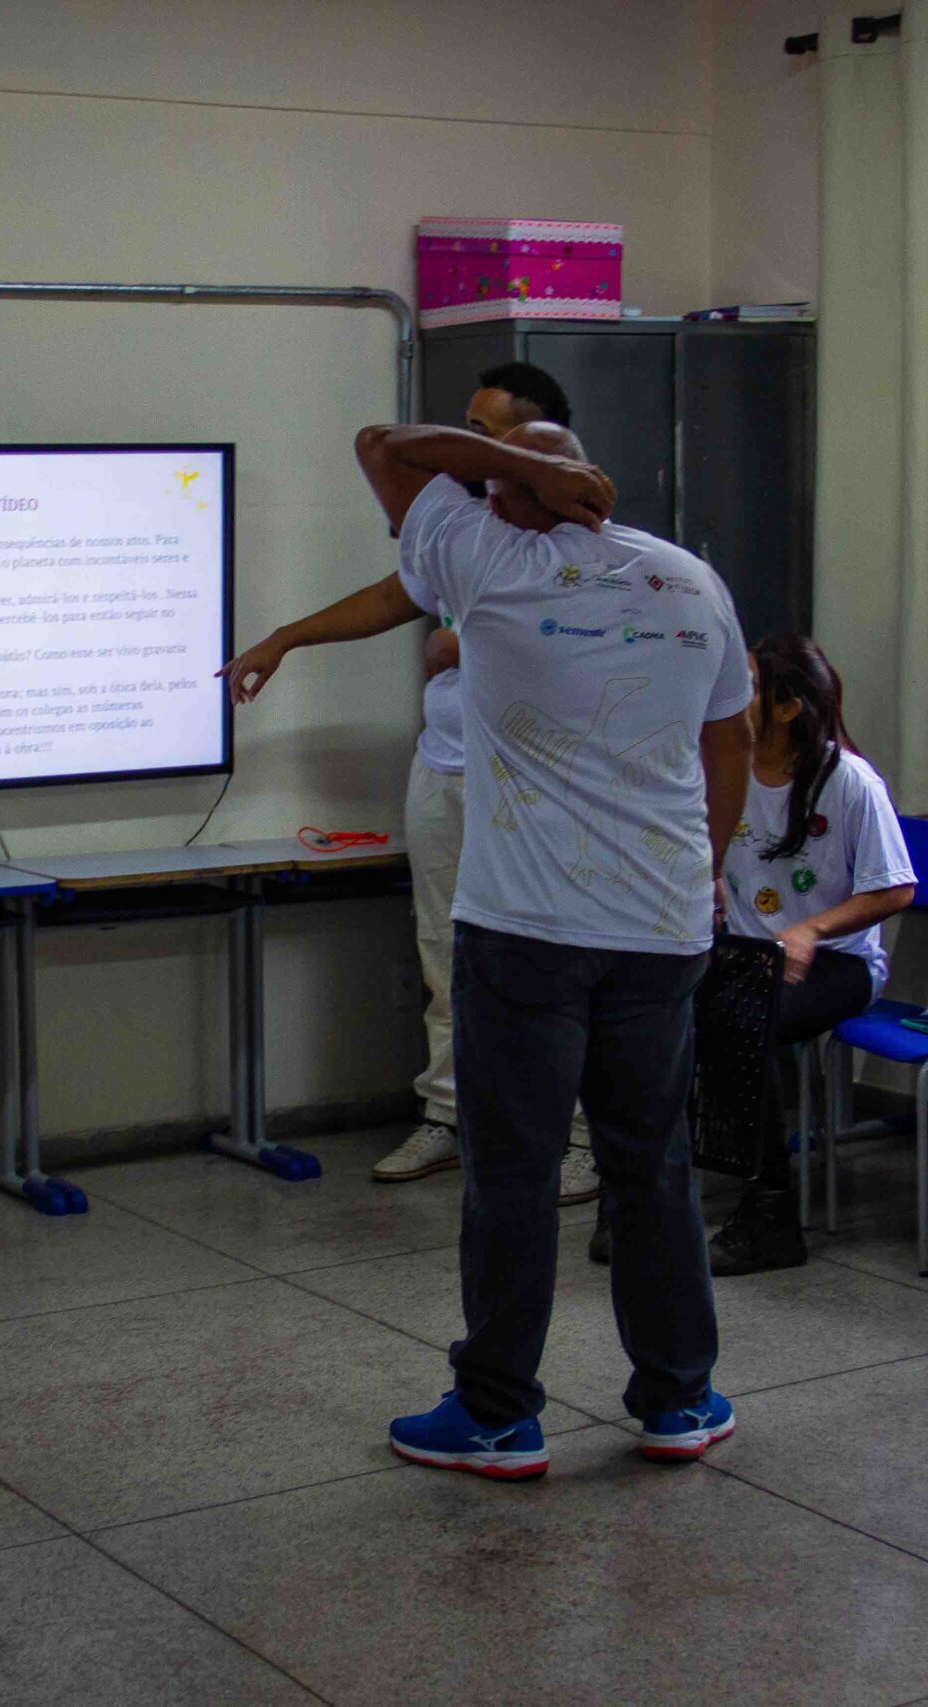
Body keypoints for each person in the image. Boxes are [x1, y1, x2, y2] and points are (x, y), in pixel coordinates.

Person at [345, 417, 753, 1479]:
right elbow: (730, 737)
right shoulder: (686, 578)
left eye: (490, 475)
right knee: (650, 1163)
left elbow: (384, 443)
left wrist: (517, 471)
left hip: (526, 931)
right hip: (662, 924)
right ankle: (678, 1399)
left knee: (514, 1173)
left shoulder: (481, 554)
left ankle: (494, 1414)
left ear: (499, 488)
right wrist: (702, 869)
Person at [218, 364, 599, 1204]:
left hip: (537, 786)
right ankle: (449, 1113)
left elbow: (580, 635)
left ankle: (575, 1135)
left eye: (488, 433)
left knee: (550, 963)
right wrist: (284, 636)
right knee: (446, 954)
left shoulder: (580, 524)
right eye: (465, 425)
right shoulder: (465, 525)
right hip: (449, 766)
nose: (466, 448)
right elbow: (397, 587)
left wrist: (473, 640)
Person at [588, 633, 916, 1275]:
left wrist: (810, 929)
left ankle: (770, 1214)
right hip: (739, 954)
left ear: (789, 708)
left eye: (751, 688)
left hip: (836, 963)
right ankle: (643, 1200)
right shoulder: (719, 766)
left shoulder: (847, 781)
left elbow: (896, 887)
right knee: (648, 1016)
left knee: (740, 1020)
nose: (730, 697)